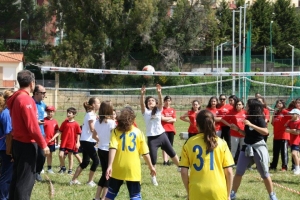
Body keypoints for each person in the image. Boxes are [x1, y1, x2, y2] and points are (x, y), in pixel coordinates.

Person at [7, 70, 50, 200]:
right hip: (26, 144)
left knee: (17, 178)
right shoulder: (25, 99)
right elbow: (32, 127)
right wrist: (44, 145)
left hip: (17, 143)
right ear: (32, 83)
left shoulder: (16, 97)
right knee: (25, 182)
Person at [179, 110, 234, 200]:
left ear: (197, 125)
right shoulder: (221, 143)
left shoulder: (189, 143)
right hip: (218, 191)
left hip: (197, 190)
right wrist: (228, 195)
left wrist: (189, 192)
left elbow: (183, 171)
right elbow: (229, 172)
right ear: (213, 123)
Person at [230, 99, 278, 200]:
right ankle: (232, 194)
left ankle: (272, 195)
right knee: (239, 172)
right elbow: (247, 134)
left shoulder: (259, 118)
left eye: (247, 105)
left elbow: (265, 132)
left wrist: (251, 125)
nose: (245, 106)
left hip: (258, 147)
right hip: (246, 147)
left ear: (252, 107)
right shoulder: (248, 117)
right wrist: (237, 129)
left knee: (264, 174)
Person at [105, 107, 156, 200]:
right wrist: (151, 167)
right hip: (133, 169)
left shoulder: (115, 131)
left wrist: (109, 166)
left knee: (110, 194)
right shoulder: (138, 132)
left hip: (118, 167)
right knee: (135, 196)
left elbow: (113, 148)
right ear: (133, 119)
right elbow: (145, 153)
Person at [140, 84, 179, 186]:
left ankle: (181, 167)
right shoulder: (145, 112)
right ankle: (153, 177)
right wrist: (142, 95)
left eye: (152, 100)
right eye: (149, 101)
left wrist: (159, 92)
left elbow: (161, 101)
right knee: (153, 159)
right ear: (147, 104)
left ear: (155, 102)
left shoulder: (158, 110)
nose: (150, 102)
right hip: (152, 138)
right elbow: (141, 104)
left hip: (162, 135)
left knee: (172, 152)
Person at [71, 98, 100, 187]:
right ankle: (90, 181)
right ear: (94, 105)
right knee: (96, 161)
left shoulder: (93, 114)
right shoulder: (90, 114)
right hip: (86, 141)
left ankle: (73, 180)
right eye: (98, 102)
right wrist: (99, 138)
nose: (100, 104)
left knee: (86, 162)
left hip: (88, 141)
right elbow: (92, 129)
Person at [92, 101, 116, 200]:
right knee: (108, 175)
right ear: (109, 110)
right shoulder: (111, 123)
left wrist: (101, 140)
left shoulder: (97, 122)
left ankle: (97, 197)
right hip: (109, 150)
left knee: (104, 173)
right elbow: (115, 137)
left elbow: (94, 136)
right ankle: (104, 198)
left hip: (101, 149)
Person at [50, 107, 81, 175]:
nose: (68, 114)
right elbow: (60, 131)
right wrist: (53, 138)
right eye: (68, 112)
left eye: (70, 113)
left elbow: (78, 133)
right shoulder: (65, 122)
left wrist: (78, 142)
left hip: (71, 143)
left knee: (70, 157)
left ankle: (70, 170)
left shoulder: (76, 124)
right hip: (64, 142)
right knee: (61, 155)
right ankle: (63, 167)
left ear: (74, 114)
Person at [269, 100, 290, 171]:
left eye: (280, 103)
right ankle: (273, 165)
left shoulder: (285, 112)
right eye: (277, 103)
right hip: (276, 135)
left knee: (284, 152)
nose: (278, 104)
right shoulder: (276, 113)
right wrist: (274, 115)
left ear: (283, 104)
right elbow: (272, 123)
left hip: (284, 135)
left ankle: (284, 166)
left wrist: (288, 124)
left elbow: (293, 117)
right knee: (275, 152)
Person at [0, 91, 13, 200]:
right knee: (6, 176)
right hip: (5, 149)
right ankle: (4, 197)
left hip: (3, 147)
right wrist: (10, 152)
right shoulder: (7, 113)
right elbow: (8, 134)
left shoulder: (5, 112)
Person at [32, 85, 47, 181]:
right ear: (36, 93)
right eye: (43, 93)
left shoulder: (43, 104)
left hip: (41, 134)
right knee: (32, 154)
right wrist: (35, 122)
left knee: (42, 155)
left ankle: (38, 172)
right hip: (32, 134)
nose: (45, 95)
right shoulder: (30, 103)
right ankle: (31, 173)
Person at [161, 95, 177, 165]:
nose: (167, 102)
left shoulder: (173, 110)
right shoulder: (162, 109)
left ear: (171, 102)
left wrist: (166, 119)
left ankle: (168, 159)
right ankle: (165, 161)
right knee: (164, 146)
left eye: (169, 101)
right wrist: (170, 118)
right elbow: (162, 118)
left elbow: (175, 119)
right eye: (166, 100)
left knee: (170, 146)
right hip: (164, 129)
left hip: (171, 130)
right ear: (164, 101)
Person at [44, 106, 59, 174]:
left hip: (51, 142)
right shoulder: (44, 120)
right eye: (48, 112)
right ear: (46, 112)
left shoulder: (55, 121)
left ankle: (49, 168)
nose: (50, 113)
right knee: (43, 155)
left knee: (50, 155)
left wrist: (57, 141)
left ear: (54, 112)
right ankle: (41, 168)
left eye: (52, 112)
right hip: (44, 142)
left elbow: (57, 131)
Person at [285, 108, 300, 175]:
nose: (291, 115)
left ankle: (297, 168)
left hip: (297, 141)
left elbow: (297, 132)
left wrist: (292, 130)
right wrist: (293, 130)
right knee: (296, 155)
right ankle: (297, 168)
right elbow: (286, 130)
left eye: (292, 114)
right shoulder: (289, 121)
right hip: (292, 141)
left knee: (294, 154)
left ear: (297, 115)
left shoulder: (299, 122)